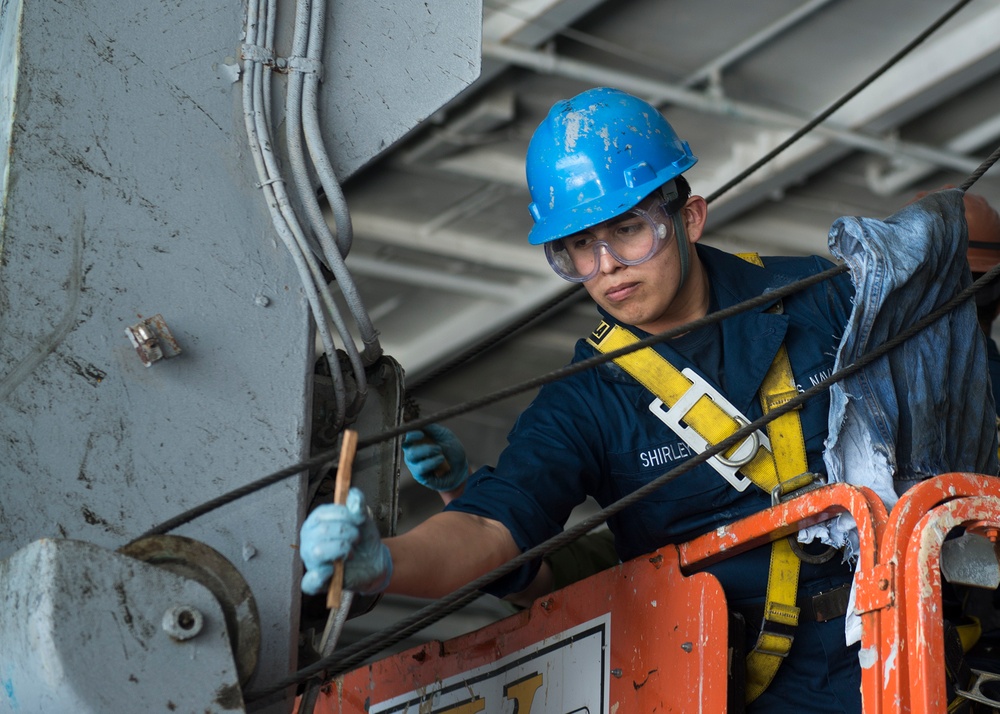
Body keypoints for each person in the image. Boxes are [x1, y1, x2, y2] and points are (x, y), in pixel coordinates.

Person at [298, 87, 993, 711]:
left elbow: (968, 402)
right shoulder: (587, 401)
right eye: (576, 249)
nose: (606, 271)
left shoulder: (821, 297)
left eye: (628, 231)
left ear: (688, 216)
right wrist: (386, 564)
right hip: (754, 687)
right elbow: (491, 530)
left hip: (923, 638)